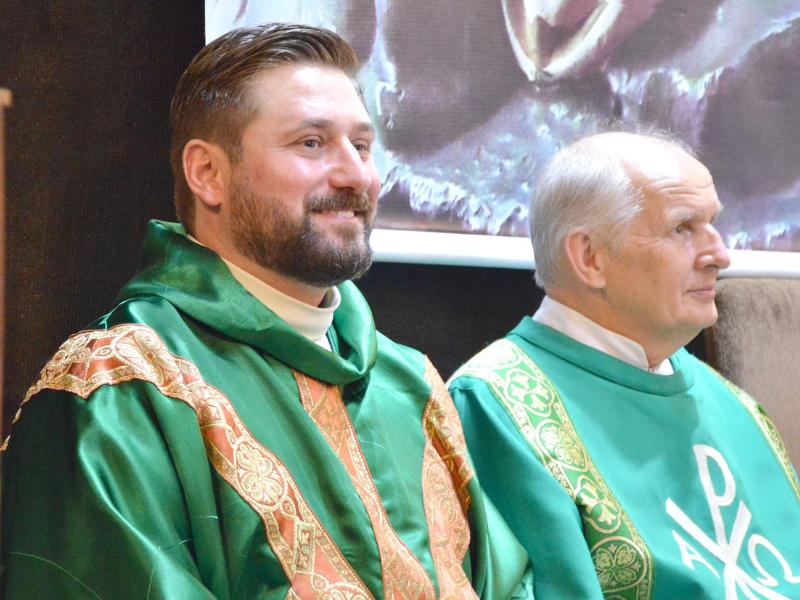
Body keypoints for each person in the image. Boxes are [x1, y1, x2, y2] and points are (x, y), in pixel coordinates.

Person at [1, 23, 531, 599]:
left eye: (361, 145)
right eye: (311, 142)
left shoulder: (410, 383)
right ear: (208, 174)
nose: (355, 175)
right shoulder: (123, 387)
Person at [448, 131, 800, 599]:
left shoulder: (734, 406)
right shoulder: (497, 404)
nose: (719, 255)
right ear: (590, 258)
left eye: (712, 224)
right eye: (682, 228)